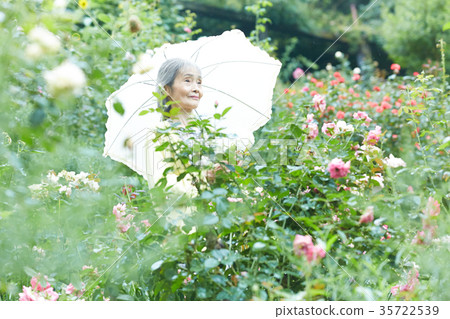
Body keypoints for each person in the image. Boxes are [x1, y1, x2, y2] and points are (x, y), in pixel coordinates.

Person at [156, 58, 203, 127]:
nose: (196, 89)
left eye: (199, 82)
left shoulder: (207, 132)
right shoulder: (162, 133)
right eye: (187, 81)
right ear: (166, 89)